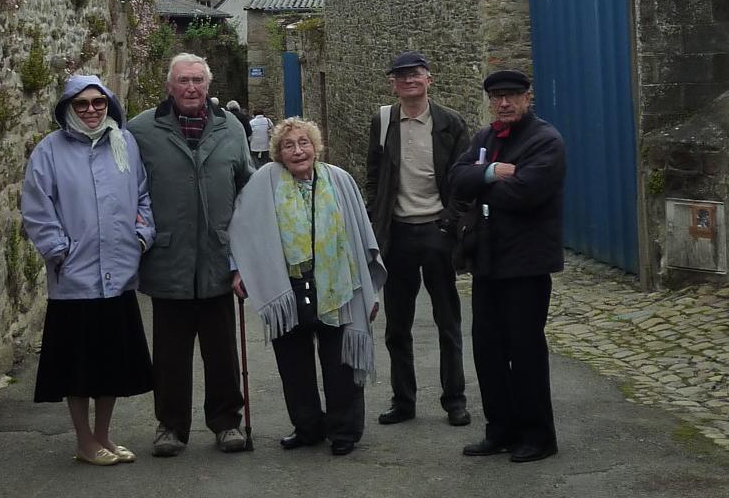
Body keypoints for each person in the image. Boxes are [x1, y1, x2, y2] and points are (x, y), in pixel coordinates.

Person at [229, 117, 386, 456]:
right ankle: (307, 427)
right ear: (278, 152)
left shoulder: (340, 180)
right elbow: (242, 227)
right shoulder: (263, 182)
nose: (298, 150)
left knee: (340, 362)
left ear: (316, 147)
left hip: (338, 284)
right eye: (289, 145)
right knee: (294, 364)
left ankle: (344, 431)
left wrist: (370, 292)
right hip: (289, 286)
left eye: (304, 143)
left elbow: (361, 233)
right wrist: (242, 269)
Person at [21, 74, 155, 466]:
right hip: (74, 278)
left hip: (118, 275)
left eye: (98, 103)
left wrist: (142, 236)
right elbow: (36, 208)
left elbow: (142, 195)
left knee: (111, 364)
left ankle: (102, 438)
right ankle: (83, 440)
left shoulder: (123, 143)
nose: (91, 110)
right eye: (81, 104)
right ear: (67, 109)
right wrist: (58, 251)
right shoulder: (49, 151)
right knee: (77, 368)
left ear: (109, 104)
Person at [127, 53, 254, 457]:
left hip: (218, 259)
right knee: (169, 355)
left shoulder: (230, 127)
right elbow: (125, 189)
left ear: (208, 85)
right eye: (183, 80)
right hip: (169, 260)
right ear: (169, 85)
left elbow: (247, 190)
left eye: (198, 79)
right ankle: (171, 427)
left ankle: (226, 423)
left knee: (221, 352)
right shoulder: (141, 129)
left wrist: (246, 259)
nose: (191, 87)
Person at [449, 69, 566, 464]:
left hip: (526, 266)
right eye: (497, 96)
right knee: (489, 352)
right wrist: (490, 173)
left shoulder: (545, 140)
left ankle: (538, 435)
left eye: (512, 96)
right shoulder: (484, 138)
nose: (504, 103)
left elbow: (526, 193)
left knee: (526, 352)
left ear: (527, 98)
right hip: (487, 262)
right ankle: (500, 430)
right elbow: (455, 179)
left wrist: (479, 185)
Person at [366, 51, 471, 427]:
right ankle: (403, 401)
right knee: (397, 326)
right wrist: (374, 223)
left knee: (448, 322)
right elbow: (374, 177)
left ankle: (454, 400)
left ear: (430, 79)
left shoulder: (450, 123)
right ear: (393, 83)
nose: (408, 80)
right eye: (401, 76)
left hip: (436, 232)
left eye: (415, 74)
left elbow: (463, 181)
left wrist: (451, 222)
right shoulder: (382, 121)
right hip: (398, 234)